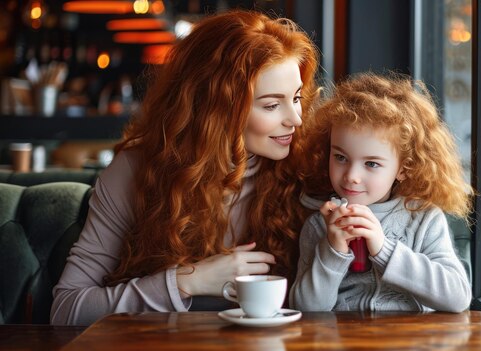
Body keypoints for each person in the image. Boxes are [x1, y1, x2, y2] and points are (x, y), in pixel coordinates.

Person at [51, 10, 319, 325]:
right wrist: (186, 281)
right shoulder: (136, 171)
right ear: (215, 108)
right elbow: (66, 310)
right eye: (272, 105)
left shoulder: (305, 167)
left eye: (297, 98)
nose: (296, 119)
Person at [289, 73, 472, 312]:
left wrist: (384, 248)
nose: (351, 175)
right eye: (341, 157)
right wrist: (332, 250)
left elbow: (457, 297)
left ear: (403, 169)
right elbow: (305, 309)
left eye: (371, 164)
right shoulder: (319, 225)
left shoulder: (424, 219)